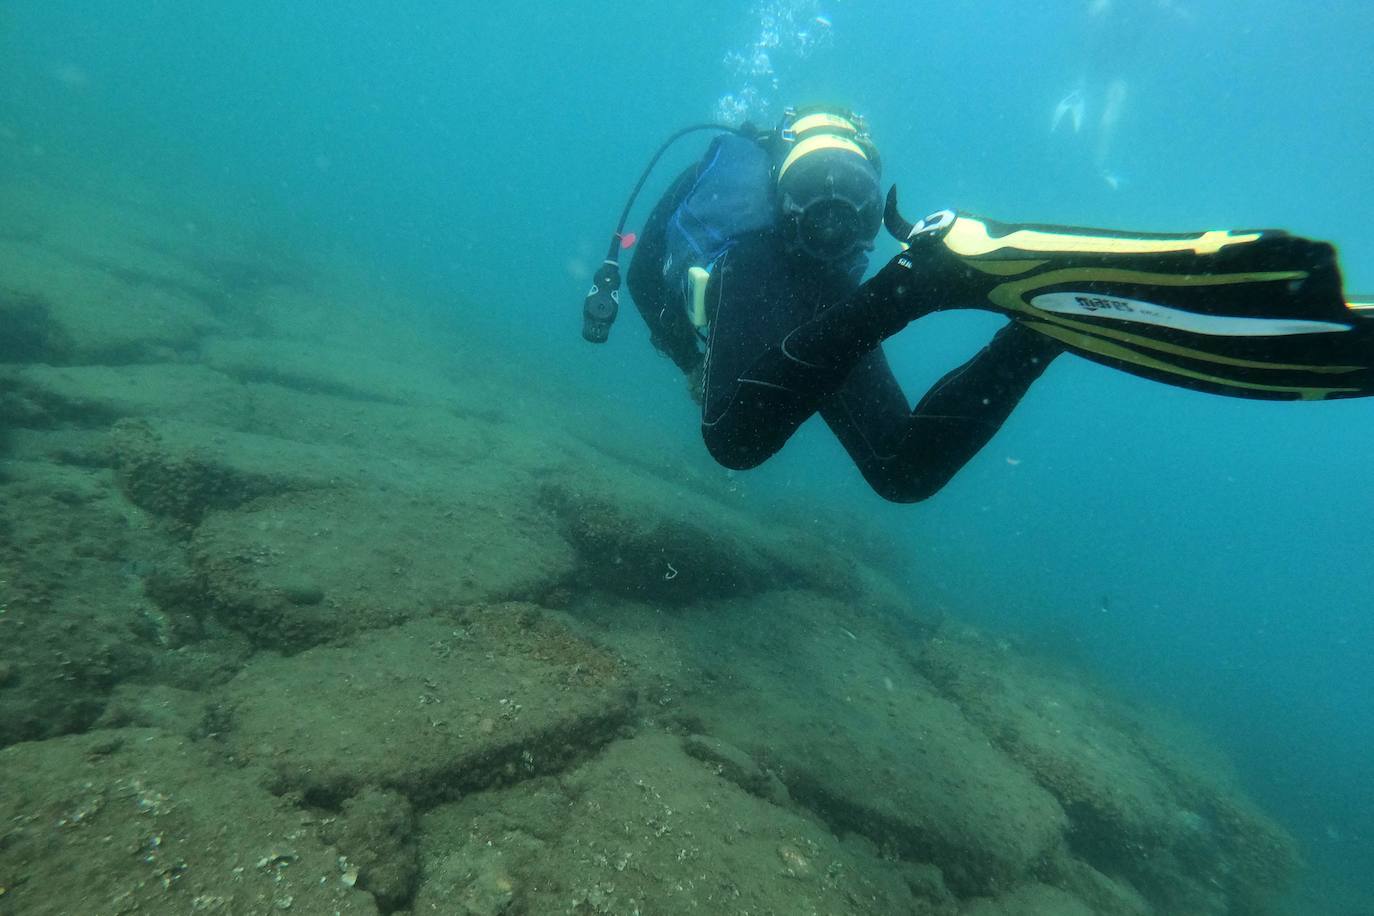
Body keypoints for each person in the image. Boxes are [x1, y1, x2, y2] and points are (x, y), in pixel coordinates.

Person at [596, 105, 1373, 503]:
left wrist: (688, 357)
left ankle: (920, 289)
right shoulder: (815, 229)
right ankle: (1033, 331)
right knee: (900, 473)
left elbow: (640, 278)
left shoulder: (731, 191)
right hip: (834, 286)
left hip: (764, 273)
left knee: (734, 441)